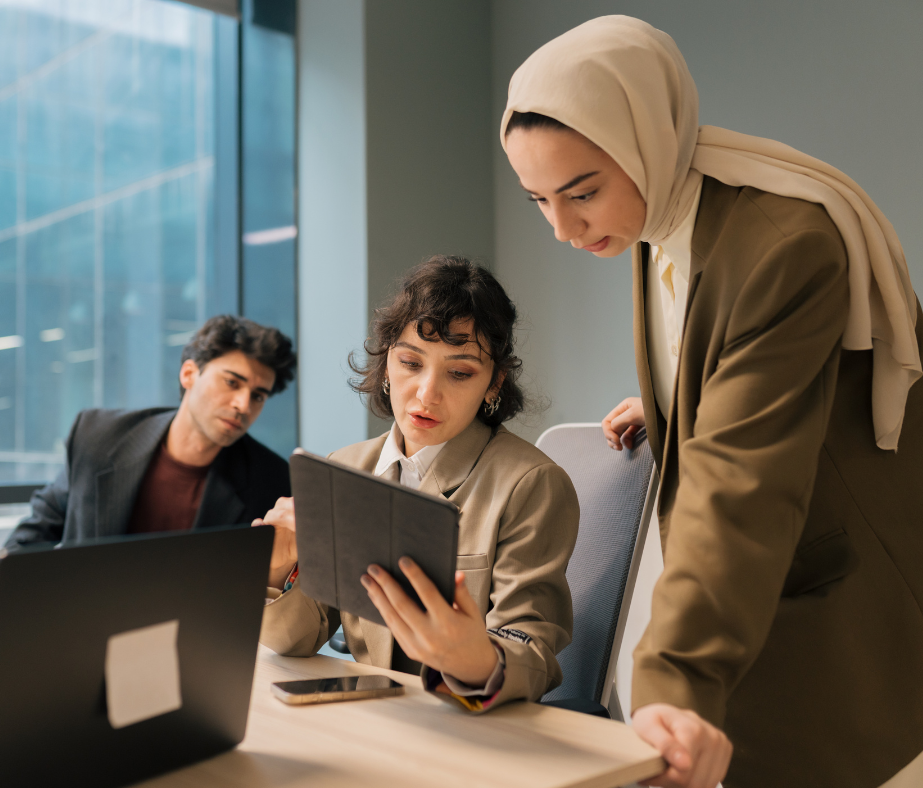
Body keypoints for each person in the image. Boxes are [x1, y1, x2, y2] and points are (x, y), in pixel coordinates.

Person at [501, 16, 923, 788]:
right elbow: (724, 348)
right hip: (765, 613)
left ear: (648, 142)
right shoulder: (660, 214)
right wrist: (673, 400)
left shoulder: (785, 243)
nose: (563, 227)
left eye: (582, 192)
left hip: (838, 614)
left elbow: (741, 483)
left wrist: (676, 679)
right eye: (537, 200)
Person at [257, 256, 579, 711]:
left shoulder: (532, 484)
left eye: (460, 372)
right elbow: (301, 636)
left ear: (494, 383)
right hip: (370, 721)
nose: (427, 393)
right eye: (410, 362)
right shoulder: (344, 467)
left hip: (465, 729)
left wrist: (476, 659)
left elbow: (532, 653)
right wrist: (274, 569)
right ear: (387, 363)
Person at [0, 315, 296, 583]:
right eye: (232, 383)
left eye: (258, 396)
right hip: (82, 622)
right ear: (189, 374)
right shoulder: (99, 435)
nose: (242, 404)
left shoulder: (271, 479)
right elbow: (47, 518)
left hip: (192, 639)